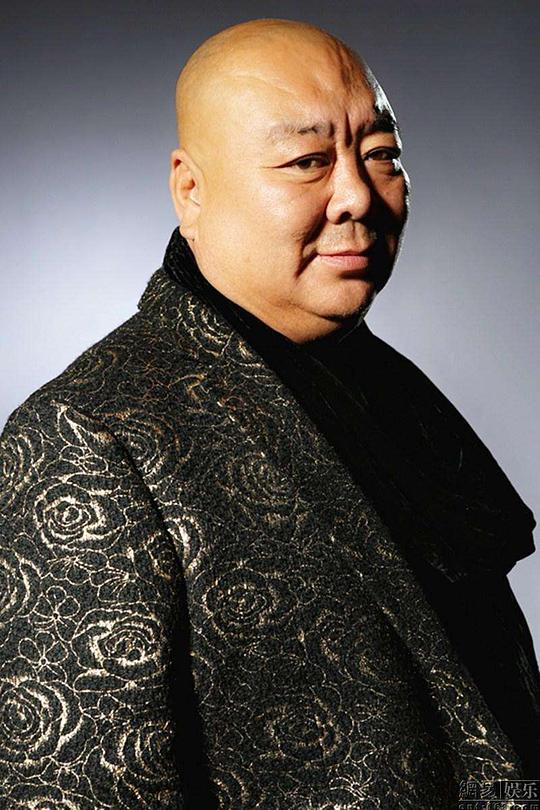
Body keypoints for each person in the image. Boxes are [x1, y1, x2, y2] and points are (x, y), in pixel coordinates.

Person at [0, 17, 538, 809]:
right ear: (191, 190)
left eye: (381, 154)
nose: (358, 195)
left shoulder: (391, 392)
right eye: (307, 161)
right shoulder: (87, 437)